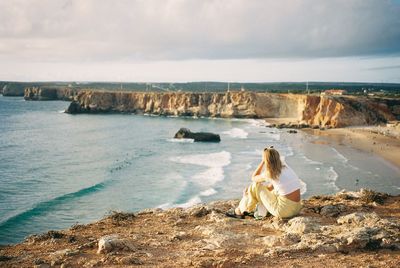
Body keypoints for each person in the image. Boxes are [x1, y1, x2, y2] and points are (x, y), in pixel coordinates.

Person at [227, 146, 302, 219]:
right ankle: (260, 211)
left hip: (283, 211)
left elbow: (253, 178)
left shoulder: (270, 173)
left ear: (267, 161)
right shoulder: (285, 168)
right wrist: (253, 195)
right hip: (296, 208)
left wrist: (262, 161)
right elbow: (269, 188)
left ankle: (240, 211)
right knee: (269, 191)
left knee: (255, 186)